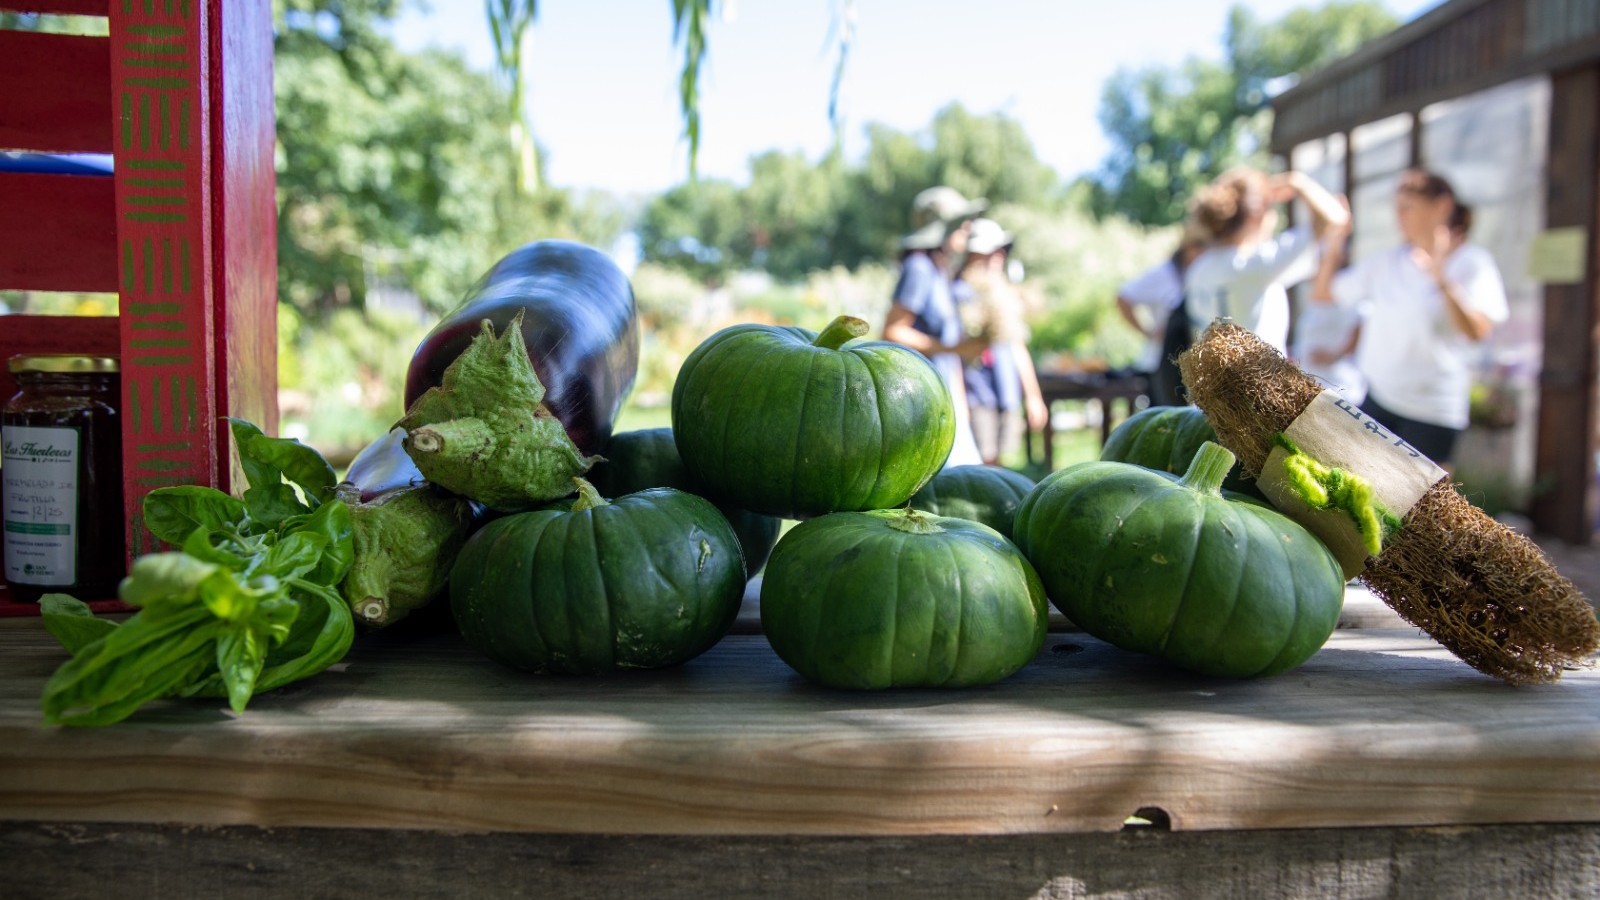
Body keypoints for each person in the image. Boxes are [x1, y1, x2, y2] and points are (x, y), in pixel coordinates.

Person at [1310, 168, 1508, 465]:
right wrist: (1336, 239)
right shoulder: (1387, 263)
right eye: (1397, 208)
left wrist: (1442, 281)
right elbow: (1323, 294)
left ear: (1442, 206)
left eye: (1408, 207)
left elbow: (1478, 331)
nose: (1399, 216)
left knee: (1417, 509)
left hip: (1433, 413)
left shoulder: (1472, 263)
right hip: (1378, 401)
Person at [1183, 168, 1350, 354]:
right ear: (1257, 214)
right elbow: (1335, 218)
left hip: (1212, 380)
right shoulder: (1254, 264)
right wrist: (1298, 182)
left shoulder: (1198, 268)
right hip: (1259, 380)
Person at [882, 186, 987, 467]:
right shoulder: (919, 268)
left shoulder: (940, 271)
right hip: (921, 400)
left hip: (944, 392)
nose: (967, 228)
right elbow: (892, 332)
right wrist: (952, 347)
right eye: (961, 224)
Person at [954, 218, 1049, 465]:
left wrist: (1033, 396)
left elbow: (1017, 346)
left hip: (1005, 393)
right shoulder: (958, 294)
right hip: (977, 394)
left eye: (1000, 251)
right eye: (989, 252)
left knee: (1000, 461)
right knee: (983, 462)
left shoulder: (1005, 295)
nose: (997, 257)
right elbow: (954, 352)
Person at [1115, 222, 1208, 405]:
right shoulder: (1163, 274)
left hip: (1193, 365)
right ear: (1188, 247)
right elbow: (1123, 297)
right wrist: (1148, 332)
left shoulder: (1202, 275)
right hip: (1164, 365)